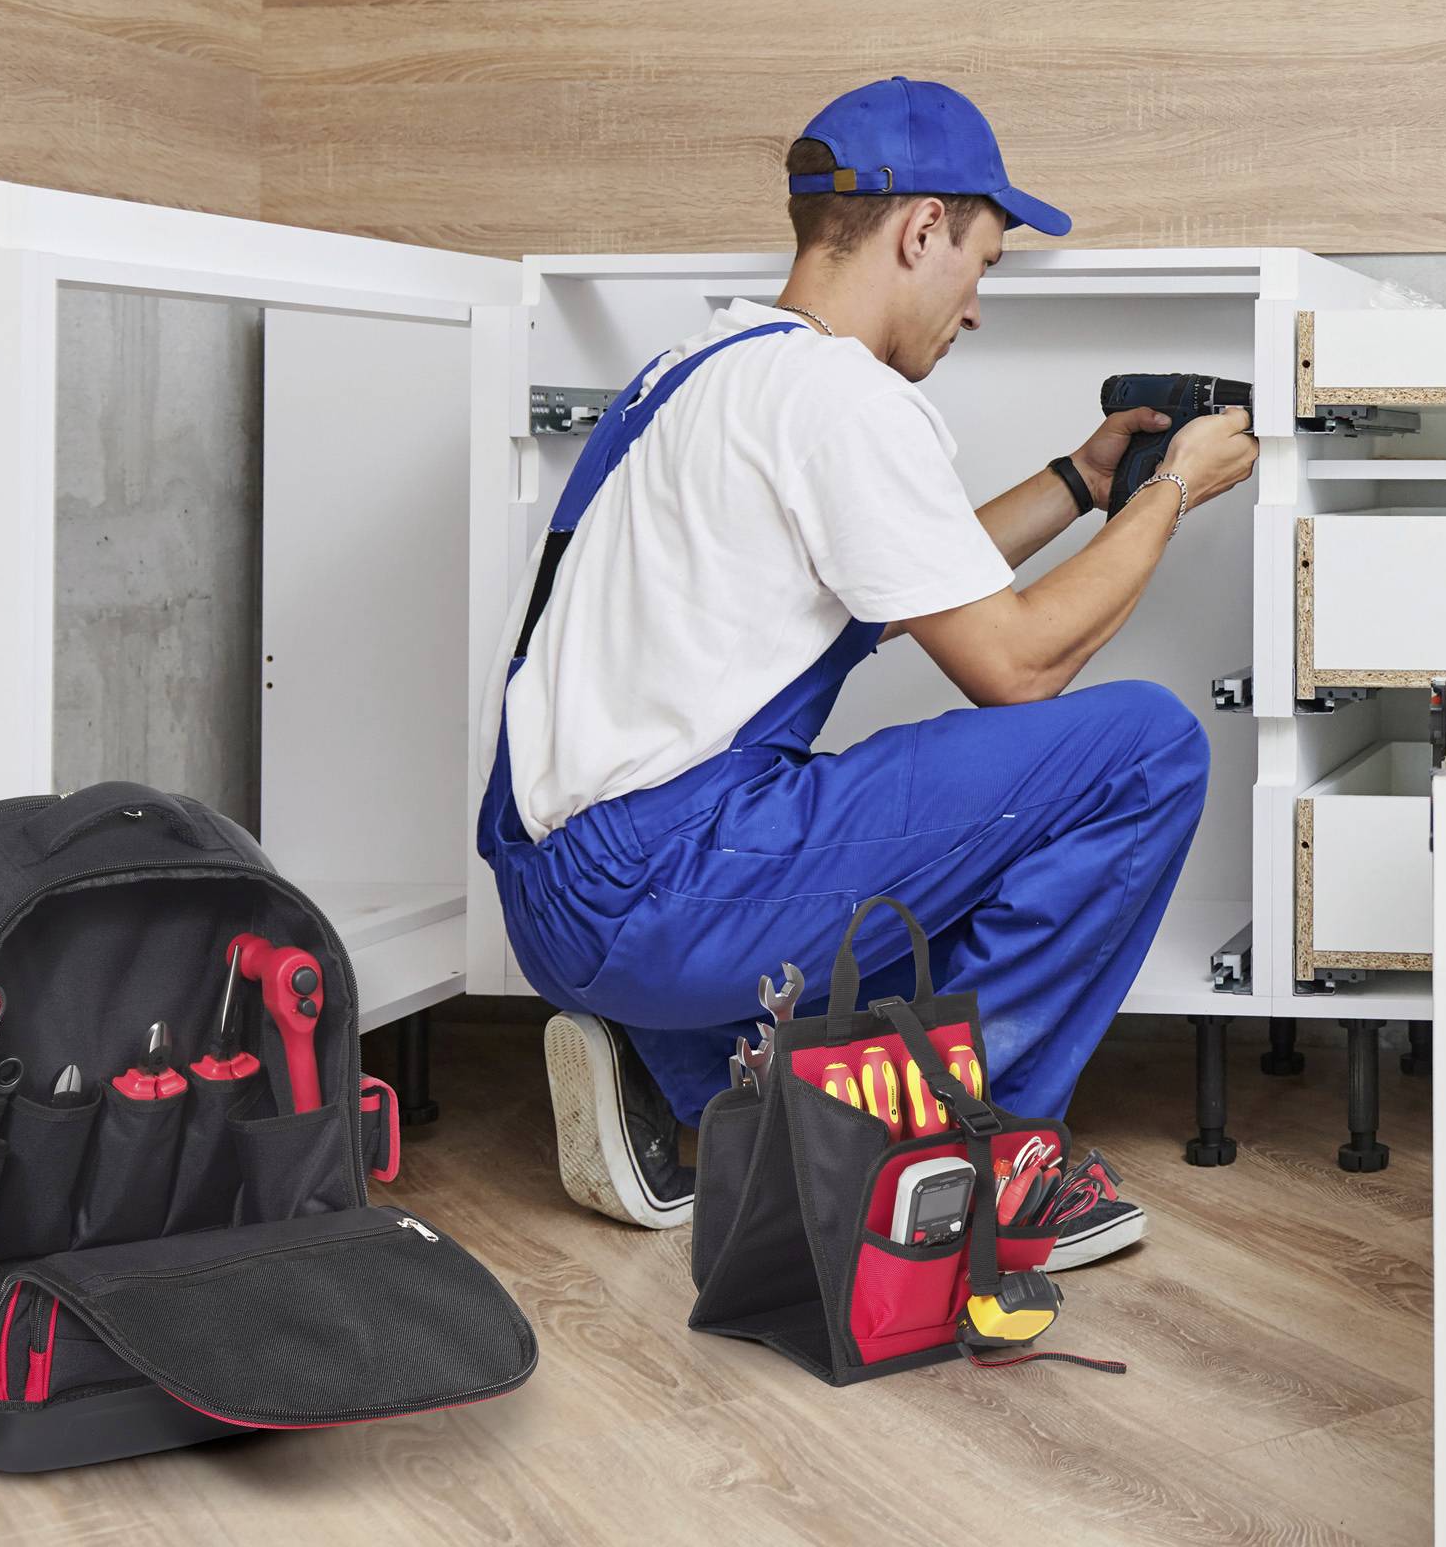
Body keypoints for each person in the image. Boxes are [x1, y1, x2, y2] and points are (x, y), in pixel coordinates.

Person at [475, 77, 1255, 1270]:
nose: (975, 307)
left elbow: (900, 588)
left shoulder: (704, 367)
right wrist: (1170, 491)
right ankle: (979, 1149)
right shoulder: (838, 394)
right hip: (662, 879)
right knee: (1143, 744)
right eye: (981, 265)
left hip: (558, 896)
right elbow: (1014, 663)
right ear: (920, 228)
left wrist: (1079, 480)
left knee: (910, 872)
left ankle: (699, 1073)